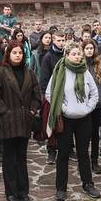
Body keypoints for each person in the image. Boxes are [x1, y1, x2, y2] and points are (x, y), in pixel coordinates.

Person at [45, 42, 101, 201]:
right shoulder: (59, 71)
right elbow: (50, 93)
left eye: (79, 54)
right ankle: (61, 188)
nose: (78, 56)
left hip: (84, 118)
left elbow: (94, 93)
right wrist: (64, 108)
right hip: (66, 119)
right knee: (63, 154)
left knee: (83, 153)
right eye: (74, 54)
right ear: (67, 55)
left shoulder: (85, 72)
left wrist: (88, 108)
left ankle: (88, 184)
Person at [0, 41, 41, 201]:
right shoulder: (1, 72)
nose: (17, 55)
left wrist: (32, 111)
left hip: (24, 121)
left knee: (22, 157)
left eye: (20, 52)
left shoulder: (29, 73)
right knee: (9, 158)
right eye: (14, 52)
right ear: (8, 54)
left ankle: (23, 191)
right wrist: (5, 112)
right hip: (8, 121)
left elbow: (36, 95)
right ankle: (11, 192)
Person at [82, 39, 101, 174]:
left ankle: (94, 160)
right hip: (83, 106)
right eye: (86, 48)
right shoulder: (80, 65)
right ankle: (84, 160)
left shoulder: (100, 65)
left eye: (91, 48)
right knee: (84, 134)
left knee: (95, 134)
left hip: (97, 105)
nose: (89, 51)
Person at [39, 31, 65, 164]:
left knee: (64, 124)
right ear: (54, 40)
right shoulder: (48, 57)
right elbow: (43, 78)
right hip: (52, 95)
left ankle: (66, 149)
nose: (61, 43)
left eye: (63, 40)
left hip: (65, 95)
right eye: (59, 40)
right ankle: (51, 150)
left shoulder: (67, 55)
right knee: (52, 124)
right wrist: (46, 96)